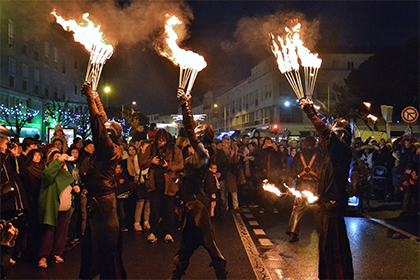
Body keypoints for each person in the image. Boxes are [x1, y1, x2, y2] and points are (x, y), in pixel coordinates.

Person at [170, 88, 226, 279]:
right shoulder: (198, 155)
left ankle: (222, 273)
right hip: (190, 203)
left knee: (207, 243)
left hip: (196, 205)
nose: (193, 135)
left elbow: (189, 134)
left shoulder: (204, 154)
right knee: (187, 244)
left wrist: (186, 106)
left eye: (196, 135)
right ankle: (176, 276)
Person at [300, 99, 354, 279]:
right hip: (327, 204)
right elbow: (325, 136)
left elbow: (324, 132)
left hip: (333, 204)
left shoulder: (341, 149)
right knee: (326, 247)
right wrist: (314, 108)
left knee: (334, 248)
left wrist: (310, 112)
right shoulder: (333, 151)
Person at [79, 82, 126, 279]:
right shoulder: (111, 146)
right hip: (99, 204)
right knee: (93, 251)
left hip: (103, 208)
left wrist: (90, 98)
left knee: (104, 254)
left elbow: (98, 125)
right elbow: (103, 122)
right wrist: (97, 98)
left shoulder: (108, 150)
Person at [38, 148, 80, 268]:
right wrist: (58, 160)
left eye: (60, 158)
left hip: (65, 207)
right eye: (56, 158)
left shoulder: (65, 173)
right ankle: (43, 256)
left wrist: (75, 190)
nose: (60, 160)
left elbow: (69, 186)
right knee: (48, 232)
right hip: (53, 207)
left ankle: (57, 253)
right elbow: (47, 175)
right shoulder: (49, 172)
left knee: (62, 232)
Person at [140, 129, 184, 243]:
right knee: (154, 210)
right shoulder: (151, 148)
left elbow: (180, 164)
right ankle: (154, 232)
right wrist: (152, 162)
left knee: (169, 210)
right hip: (154, 184)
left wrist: (168, 165)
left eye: (163, 140)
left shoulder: (174, 150)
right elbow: (142, 163)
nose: (161, 143)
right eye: (159, 140)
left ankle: (168, 232)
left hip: (169, 185)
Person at [286, 136, 323, 243]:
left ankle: (293, 233)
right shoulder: (319, 156)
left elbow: (292, 172)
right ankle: (322, 233)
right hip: (314, 186)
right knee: (317, 209)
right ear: (314, 145)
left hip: (301, 186)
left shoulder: (299, 155)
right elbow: (322, 173)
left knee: (298, 209)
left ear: (305, 144)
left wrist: (290, 187)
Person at [115, 164, 131, 232]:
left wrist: (126, 193)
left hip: (121, 196)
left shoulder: (123, 176)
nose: (118, 169)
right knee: (114, 212)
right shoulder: (112, 176)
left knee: (122, 212)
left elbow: (127, 186)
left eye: (119, 168)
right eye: (116, 168)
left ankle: (123, 226)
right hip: (114, 196)